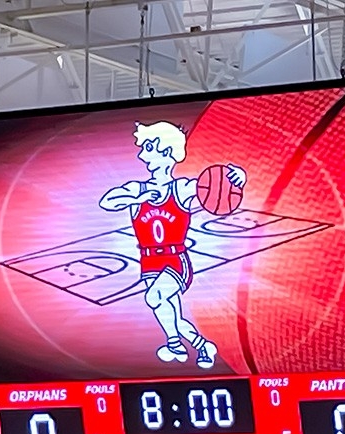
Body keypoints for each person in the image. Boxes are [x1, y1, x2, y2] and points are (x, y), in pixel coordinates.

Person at [98, 122, 246, 369]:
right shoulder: (137, 188)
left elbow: (216, 186)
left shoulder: (182, 188)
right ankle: (199, 345)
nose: (141, 155)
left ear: (166, 152)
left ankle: (175, 344)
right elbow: (107, 201)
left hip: (175, 259)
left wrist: (238, 179)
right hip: (148, 261)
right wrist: (139, 198)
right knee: (170, 314)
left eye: (148, 148)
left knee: (154, 297)